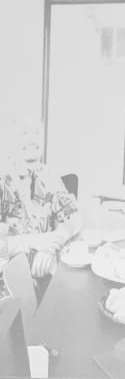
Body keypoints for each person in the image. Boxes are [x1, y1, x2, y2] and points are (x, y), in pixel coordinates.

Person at [0, 119, 81, 282]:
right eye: (24, 134)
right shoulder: (3, 179)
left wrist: (53, 243)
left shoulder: (48, 175)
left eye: (36, 133)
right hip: (9, 282)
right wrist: (34, 242)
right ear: (12, 141)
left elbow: (75, 217)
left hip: (46, 273)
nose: (31, 139)